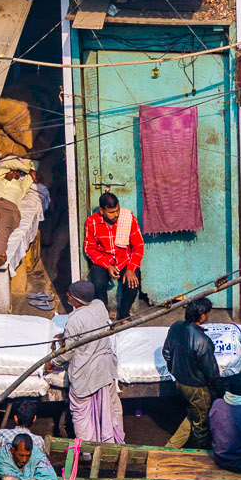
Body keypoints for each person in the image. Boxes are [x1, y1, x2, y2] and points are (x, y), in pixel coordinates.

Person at [60, 279, 124, 444]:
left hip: (86, 374)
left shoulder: (75, 320)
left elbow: (67, 352)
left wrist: (52, 363)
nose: (67, 295)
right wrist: (66, 336)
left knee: (81, 413)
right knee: (111, 408)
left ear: (77, 300)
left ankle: (87, 454)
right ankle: (112, 443)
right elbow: (88, 331)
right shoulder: (99, 305)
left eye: (70, 294)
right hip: (105, 370)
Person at [164, 298, 227, 452]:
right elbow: (211, 371)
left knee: (195, 414)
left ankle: (170, 447)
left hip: (179, 381)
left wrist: (175, 370)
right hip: (196, 388)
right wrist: (220, 391)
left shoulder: (176, 327)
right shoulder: (203, 341)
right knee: (202, 424)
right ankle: (197, 454)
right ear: (203, 316)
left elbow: (166, 353)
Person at [82, 190, 143, 321]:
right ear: (102, 211)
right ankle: (104, 315)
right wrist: (107, 265)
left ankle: (124, 313)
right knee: (98, 283)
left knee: (133, 284)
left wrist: (131, 268)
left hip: (124, 260)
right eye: (111, 212)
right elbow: (90, 249)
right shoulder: (92, 222)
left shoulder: (128, 219)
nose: (116, 215)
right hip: (103, 261)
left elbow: (138, 246)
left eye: (117, 210)